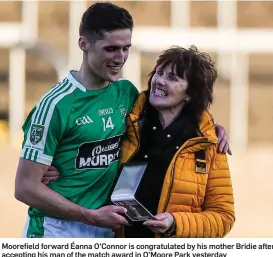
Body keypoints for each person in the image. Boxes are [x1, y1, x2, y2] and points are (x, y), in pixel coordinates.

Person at [15, 2, 231, 238]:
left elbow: (176, 105)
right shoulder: (55, 106)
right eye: (111, 49)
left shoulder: (127, 94)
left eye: (125, 48)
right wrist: (89, 214)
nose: (121, 58)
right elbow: (25, 187)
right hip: (56, 230)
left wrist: (211, 126)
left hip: (107, 230)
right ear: (83, 44)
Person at [117, 45, 235, 238]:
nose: (160, 81)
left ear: (190, 93)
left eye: (173, 78)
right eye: (159, 72)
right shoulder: (128, 123)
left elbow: (224, 217)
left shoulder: (208, 144)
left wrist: (175, 223)